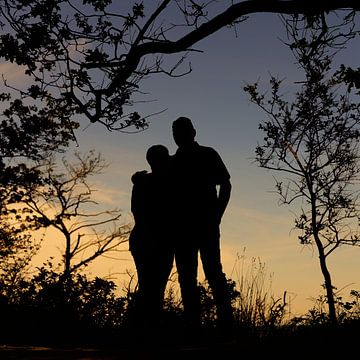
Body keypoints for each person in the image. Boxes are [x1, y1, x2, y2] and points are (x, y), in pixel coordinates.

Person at [171, 116, 234, 330]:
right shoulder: (173, 162)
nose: (178, 135)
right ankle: (192, 325)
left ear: (193, 132)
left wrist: (217, 214)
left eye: (182, 131)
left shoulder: (208, 154)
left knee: (213, 271)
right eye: (175, 132)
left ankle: (226, 323)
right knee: (186, 276)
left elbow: (226, 185)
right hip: (181, 228)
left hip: (206, 224)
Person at [129, 144, 174, 330]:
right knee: (154, 286)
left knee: (149, 285)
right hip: (154, 239)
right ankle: (146, 328)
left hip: (144, 238)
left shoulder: (142, 182)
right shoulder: (169, 183)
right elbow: (138, 211)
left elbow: (136, 211)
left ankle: (143, 328)